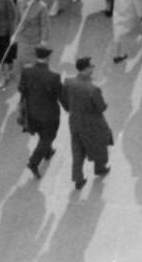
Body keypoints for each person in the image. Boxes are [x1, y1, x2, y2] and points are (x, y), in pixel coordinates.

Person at [63, 54, 113, 187]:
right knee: (100, 143)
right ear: (86, 69)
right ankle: (100, 167)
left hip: (74, 121)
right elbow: (101, 108)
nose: (93, 67)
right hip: (92, 123)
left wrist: (69, 108)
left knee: (77, 149)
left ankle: (78, 178)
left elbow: (64, 99)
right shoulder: (93, 89)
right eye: (91, 66)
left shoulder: (68, 82)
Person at [18, 43, 64, 178]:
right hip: (49, 114)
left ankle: (48, 151)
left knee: (41, 133)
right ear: (48, 57)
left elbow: (21, 88)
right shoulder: (54, 76)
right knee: (48, 136)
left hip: (31, 111)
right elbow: (60, 94)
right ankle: (33, 162)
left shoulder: (27, 71)